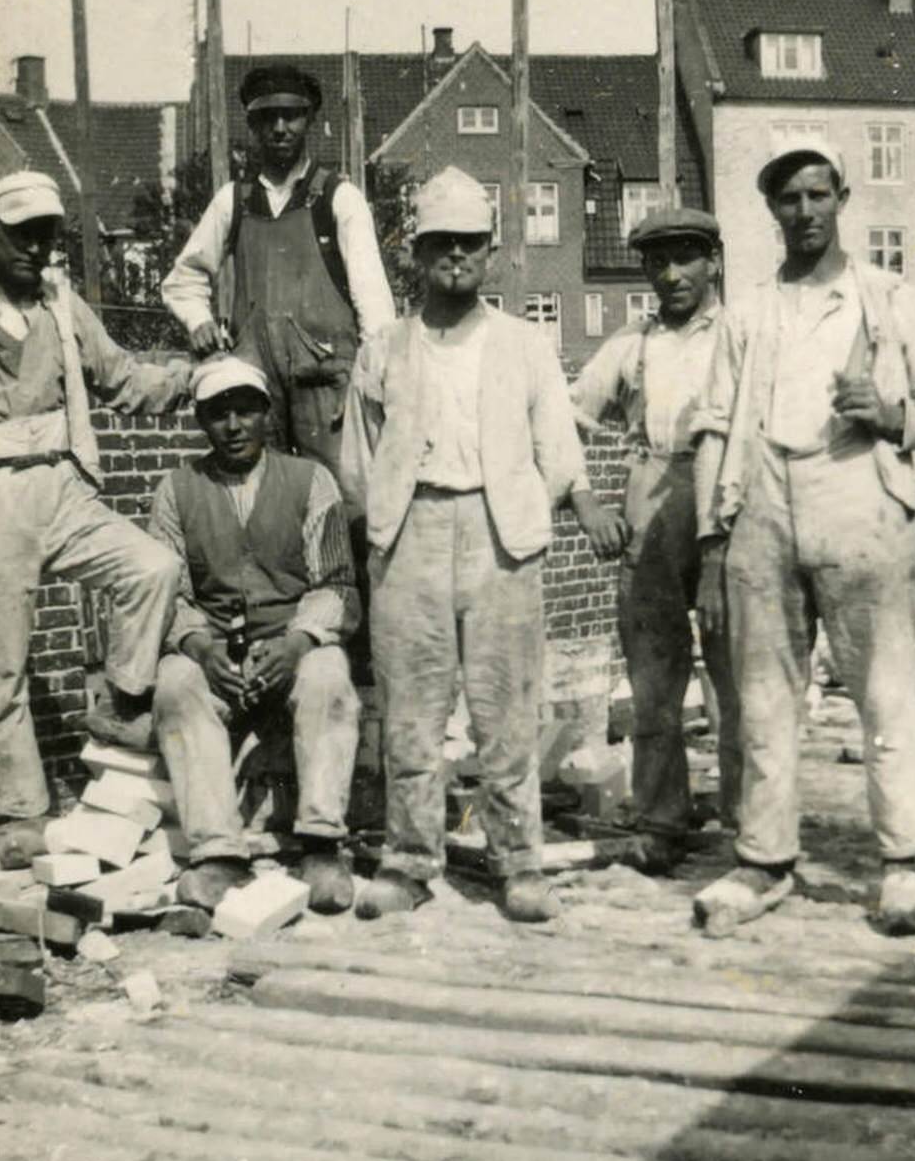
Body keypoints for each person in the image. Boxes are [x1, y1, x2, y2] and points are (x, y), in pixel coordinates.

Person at [691, 139, 915, 935]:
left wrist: (892, 417)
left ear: (842, 196)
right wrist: (715, 538)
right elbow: (715, 426)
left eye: (818, 195)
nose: (805, 212)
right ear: (770, 209)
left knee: (883, 690)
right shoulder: (746, 310)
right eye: (788, 199)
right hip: (764, 503)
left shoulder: (888, 298)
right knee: (763, 698)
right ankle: (764, 858)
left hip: (860, 499)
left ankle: (904, 864)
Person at [340, 165, 626, 923]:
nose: (456, 257)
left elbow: (556, 442)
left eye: (469, 243)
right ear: (416, 252)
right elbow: (360, 460)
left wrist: (583, 500)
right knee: (412, 712)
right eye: (440, 244)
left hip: (503, 538)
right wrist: (382, 531)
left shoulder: (524, 345)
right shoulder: (384, 349)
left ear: (490, 252)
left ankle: (519, 862)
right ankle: (408, 860)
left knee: (505, 710)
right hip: (412, 536)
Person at [0, 170, 192, 863]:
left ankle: (126, 706)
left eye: (47, 234)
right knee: (1, 667)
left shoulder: (65, 308)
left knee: (153, 565)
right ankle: (23, 815)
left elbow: (124, 376)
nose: (36, 248)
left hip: (63, 486)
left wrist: (193, 375)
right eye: (22, 233)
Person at [148, 356, 360, 913]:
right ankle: (219, 853)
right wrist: (199, 646)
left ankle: (321, 843)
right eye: (219, 414)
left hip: (290, 641)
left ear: (267, 414)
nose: (234, 425)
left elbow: (337, 582)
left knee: (328, 676)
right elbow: (166, 593)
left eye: (246, 410)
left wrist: (296, 644)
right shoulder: (175, 490)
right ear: (201, 422)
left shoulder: (311, 481)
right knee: (174, 682)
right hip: (214, 647)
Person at [570, 205, 740, 871]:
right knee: (653, 677)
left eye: (686, 258)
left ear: (713, 260)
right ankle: (662, 819)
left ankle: (749, 824)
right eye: (658, 260)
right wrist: (586, 503)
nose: (672, 274)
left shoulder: (742, 334)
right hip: (652, 489)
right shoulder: (631, 344)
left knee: (738, 674)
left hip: (727, 495)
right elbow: (562, 418)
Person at [160, 63, 396, 469]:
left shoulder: (338, 198)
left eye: (292, 116)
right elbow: (184, 278)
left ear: (310, 120)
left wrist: (370, 381)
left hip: (328, 386)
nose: (281, 128)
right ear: (253, 126)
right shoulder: (234, 201)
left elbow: (374, 304)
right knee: (263, 501)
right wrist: (198, 320)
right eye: (268, 118)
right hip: (256, 388)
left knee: (344, 501)